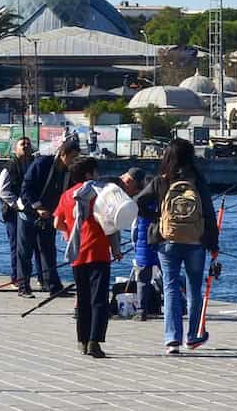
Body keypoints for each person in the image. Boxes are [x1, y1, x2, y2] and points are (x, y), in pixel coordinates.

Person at [55, 158, 134, 357]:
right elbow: (111, 222)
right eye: (96, 172)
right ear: (89, 174)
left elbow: (57, 223)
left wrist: (69, 234)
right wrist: (116, 248)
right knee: (99, 299)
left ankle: (81, 340)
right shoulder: (101, 193)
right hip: (98, 251)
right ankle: (94, 341)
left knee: (82, 299)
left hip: (77, 252)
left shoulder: (67, 195)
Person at [153, 137, 218, 355]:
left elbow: (139, 202)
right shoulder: (198, 180)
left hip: (168, 240)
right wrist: (213, 243)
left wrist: (157, 218)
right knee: (194, 289)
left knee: (170, 288)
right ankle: (193, 335)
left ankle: (172, 340)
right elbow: (208, 212)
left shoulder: (162, 180)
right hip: (195, 240)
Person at [19, 139, 72, 297]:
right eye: (73, 157)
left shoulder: (69, 171)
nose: (74, 161)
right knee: (25, 251)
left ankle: (53, 286)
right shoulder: (42, 163)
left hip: (50, 215)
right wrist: (38, 207)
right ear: (63, 154)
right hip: (29, 213)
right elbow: (26, 187)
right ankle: (23, 286)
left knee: (48, 250)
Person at [0, 137, 36, 295]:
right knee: (16, 246)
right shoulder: (9, 167)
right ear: (16, 149)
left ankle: (39, 277)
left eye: (28, 144)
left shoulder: (34, 164)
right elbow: (3, 191)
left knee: (33, 247)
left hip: (32, 211)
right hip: (13, 213)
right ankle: (16, 278)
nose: (26, 147)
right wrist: (18, 204)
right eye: (22, 144)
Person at [130, 175, 162, 321]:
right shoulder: (161, 204)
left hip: (143, 247)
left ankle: (141, 310)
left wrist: (135, 246)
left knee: (143, 280)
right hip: (162, 244)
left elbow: (134, 231)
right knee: (167, 277)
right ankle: (176, 305)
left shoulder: (138, 205)